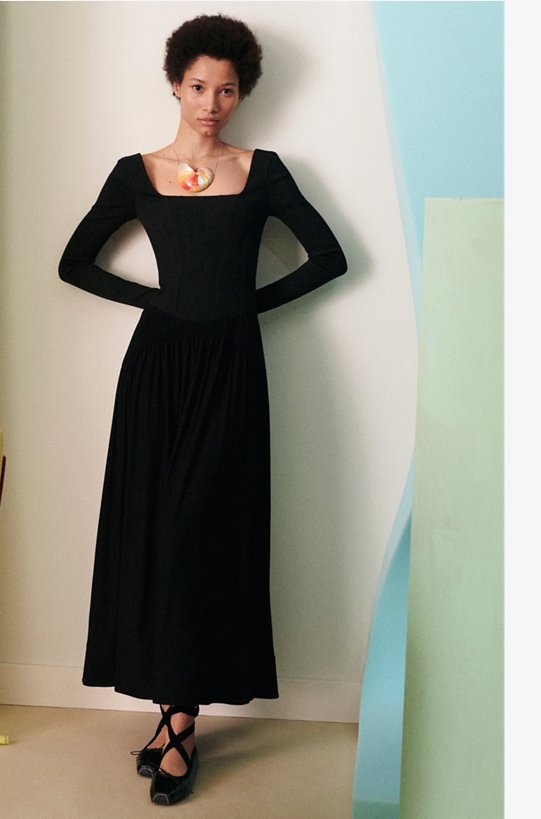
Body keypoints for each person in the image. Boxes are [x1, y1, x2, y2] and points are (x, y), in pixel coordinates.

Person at [58, 13, 347, 807]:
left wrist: (242, 306)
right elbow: (74, 263)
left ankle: (180, 724)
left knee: (201, 534)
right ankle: (173, 718)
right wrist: (160, 302)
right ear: (175, 85)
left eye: (227, 90)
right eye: (198, 87)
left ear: (241, 93)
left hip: (231, 370)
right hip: (156, 371)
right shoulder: (137, 171)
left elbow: (329, 257)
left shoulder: (263, 170)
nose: (212, 103)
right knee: (158, 534)